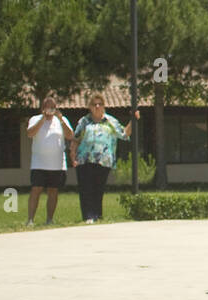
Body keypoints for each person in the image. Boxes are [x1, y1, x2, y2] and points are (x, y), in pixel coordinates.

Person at [70, 95, 138, 223]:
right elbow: (75, 139)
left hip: (103, 160)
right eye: (94, 104)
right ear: (90, 107)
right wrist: (73, 156)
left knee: (98, 188)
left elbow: (124, 134)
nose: (97, 106)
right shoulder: (84, 121)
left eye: (100, 104)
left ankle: (97, 215)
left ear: (104, 106)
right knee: (86, 188)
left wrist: (133, 119)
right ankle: (88, 216)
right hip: (84, 160)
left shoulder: (110, 121)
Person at [26, 95, 74, 226]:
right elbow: (30, 134)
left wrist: (61, 120)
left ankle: (49, 220)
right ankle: (30, 220)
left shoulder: (61, 120)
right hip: (39, 163)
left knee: (53, 191)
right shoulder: (35, 119)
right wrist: (42, 119)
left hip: (57, 164)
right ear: (42, 108)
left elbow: (70, 136)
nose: (50, 110)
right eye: (47, 107)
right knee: (36, 189)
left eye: (52, 107)